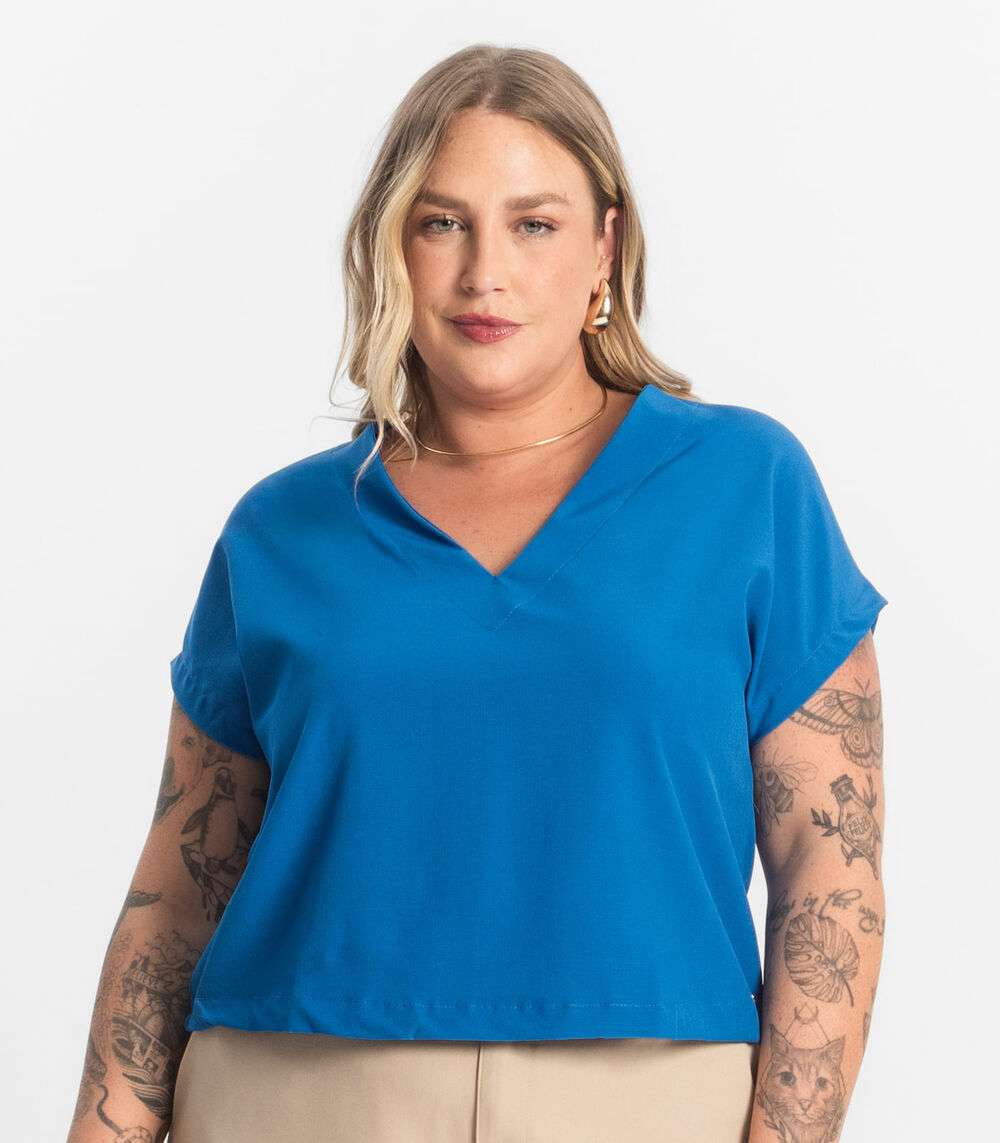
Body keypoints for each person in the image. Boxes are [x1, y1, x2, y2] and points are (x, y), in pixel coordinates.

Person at [66, 43, 888, 1143]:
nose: (483, 272)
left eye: (534, 224)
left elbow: (831, 873)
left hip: (648, 1099)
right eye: (442, 222)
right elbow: (178, 893)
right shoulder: (282, 529)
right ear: (391, 247)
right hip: (292, 1093)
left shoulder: (745, 486)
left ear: (605, 247)